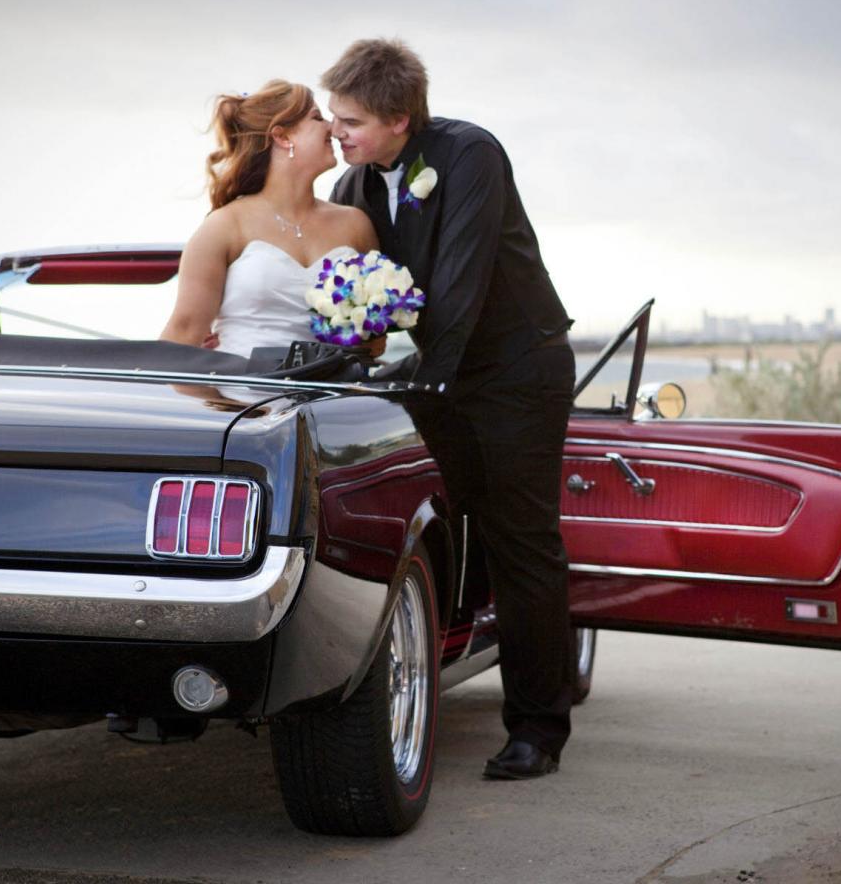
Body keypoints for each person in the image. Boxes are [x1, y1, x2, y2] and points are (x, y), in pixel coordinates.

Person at [323, 38, 577, 780]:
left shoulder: (470, 155)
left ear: (400, 119)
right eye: (335, 118)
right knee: (443, 523)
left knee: (520, 540)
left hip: (516, 369)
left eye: (351, 121)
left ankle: (538, 728)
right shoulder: (354, 185)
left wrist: (429, 381)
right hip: (440, 370)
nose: (338, 132)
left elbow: (461, 275)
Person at [160, 80, 377, 356]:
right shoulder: (225, 226)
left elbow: (373, 343)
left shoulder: (355, 224)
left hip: (332, 384)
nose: (332, 128)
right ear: (283, 137)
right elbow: (184, 331)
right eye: (317, 117)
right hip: (241, 384)